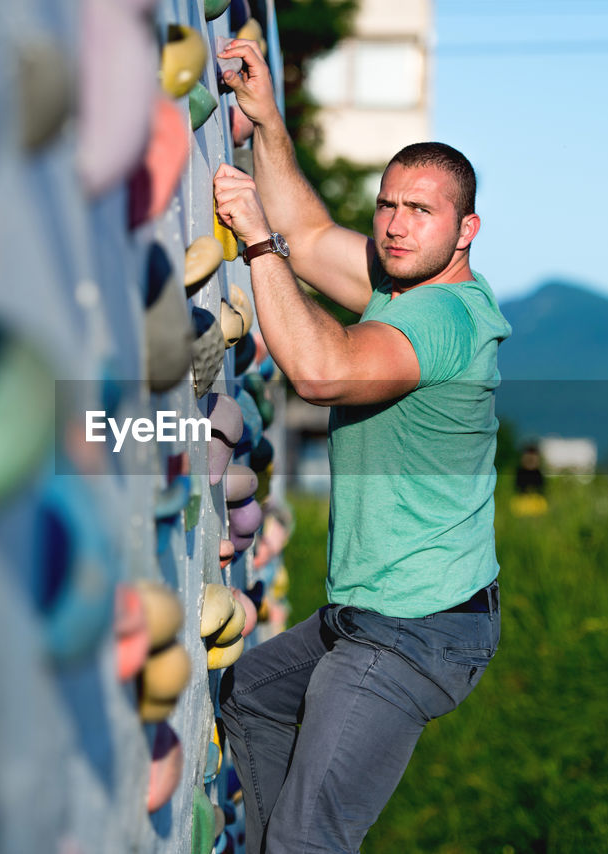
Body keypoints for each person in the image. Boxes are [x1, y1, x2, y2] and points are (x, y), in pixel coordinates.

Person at [211, 38, 512, 853]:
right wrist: (266, 121)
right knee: (250, 696)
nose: (396, 224)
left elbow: (319, 370)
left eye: (421, 211)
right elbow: (310, 237)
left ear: (466, 228)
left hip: (414, 631)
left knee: (313, 838)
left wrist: (256, 245)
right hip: (366, 614)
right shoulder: (400, 282)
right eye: (388, 205)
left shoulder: (444, 321)